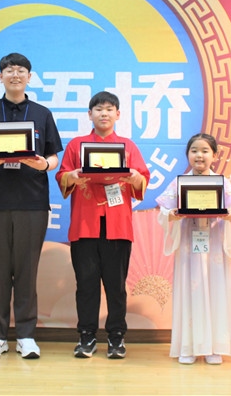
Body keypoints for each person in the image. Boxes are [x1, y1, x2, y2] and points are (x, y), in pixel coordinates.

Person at [0, 52, 63, 359]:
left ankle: (26, 335)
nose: (15, 74)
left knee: (26, 271)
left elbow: (53, 157)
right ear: (1, 77)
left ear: (29, 77)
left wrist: (42, 165)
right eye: (9, 70)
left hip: (32, 202)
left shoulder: (42, 113)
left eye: (21, 70)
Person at [55, 91, 150, 359]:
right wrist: (72, 175)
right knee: (86, 285)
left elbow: (142, 178)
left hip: (118, 226)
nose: (104, 113)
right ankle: (86, 336)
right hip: (85, 225)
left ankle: (116, 337)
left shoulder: (128, 146)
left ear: (118, 114)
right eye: (98, 109)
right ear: (90, 114)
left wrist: (134, 176)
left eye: (109, 109)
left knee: (116, 286)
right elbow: (62, 176)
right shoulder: (77, 145)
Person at [155, 133, 231, 365]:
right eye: (194, 150)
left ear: (214, 155)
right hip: (188, 246)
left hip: (214, 247)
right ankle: (189, 346)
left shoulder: (222, 183)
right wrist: (172, 215)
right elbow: (163, 213)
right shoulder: (179, 182)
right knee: (189, 290)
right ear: (188, 154)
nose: (199, 155)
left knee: (215, 290)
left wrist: (229, 215)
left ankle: (214, 347)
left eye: (205, 151)